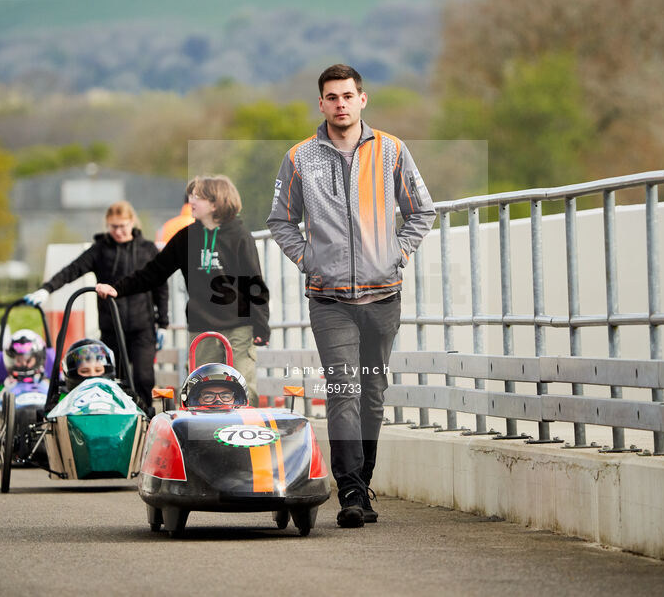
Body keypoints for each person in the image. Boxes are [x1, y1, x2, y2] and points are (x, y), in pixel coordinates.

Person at [266, 64, 436, 528]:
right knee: (344, 390)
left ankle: (364, 478)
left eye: (347, 95)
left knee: (373, 393)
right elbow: (280, 220)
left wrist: (398, 251)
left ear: (363, 99)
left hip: (384, 295)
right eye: (331, 97)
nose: (340, 104)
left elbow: (423, 211)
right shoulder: (300, 158)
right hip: (329, 298)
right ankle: (352, 493)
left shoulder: (391, 151)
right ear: (321, 104)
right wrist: (308, 260)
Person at [96, 175, 270, 407]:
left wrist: (261, 325)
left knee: (242, 386)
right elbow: (153, 273)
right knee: (199, 387)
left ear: (216, 203)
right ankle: (200, 439)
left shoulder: (239, 236)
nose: (191, 201)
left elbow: (254, 284)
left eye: (198, 197)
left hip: (238, 326)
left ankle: (244, 436)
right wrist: (117, 289)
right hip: (201, 326)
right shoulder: (186, 237)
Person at [25, 201, 168, 410]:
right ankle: (112, 417)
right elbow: (71, 270)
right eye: (113, 227)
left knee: (143, 378)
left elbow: (161, 287)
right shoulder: (101, 250)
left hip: (142, 327)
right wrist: (46, 289)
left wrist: (162, 323)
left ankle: (145, 422)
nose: (118, 231)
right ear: (107, 226)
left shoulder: (147, 250)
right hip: (111, 328)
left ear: (132, 223)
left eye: (123, 226)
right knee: (110, 378)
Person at [182, 363, 248, 408]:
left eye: (225, 396)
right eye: (208, 397)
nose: (218, 401)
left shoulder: (248, 424)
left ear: (237, 399)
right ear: (195, 401)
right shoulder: (183, 425)